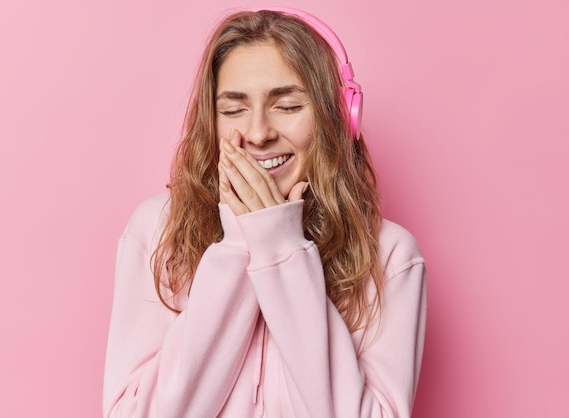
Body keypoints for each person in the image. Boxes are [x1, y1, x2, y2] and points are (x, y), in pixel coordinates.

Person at [103, 7, 426, 418]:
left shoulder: (392, 257)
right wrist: (239, 240)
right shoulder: (155, 230)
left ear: (338, 118)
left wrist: (280, 248)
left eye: (287, 106)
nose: (258, 133)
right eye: (233, 109)